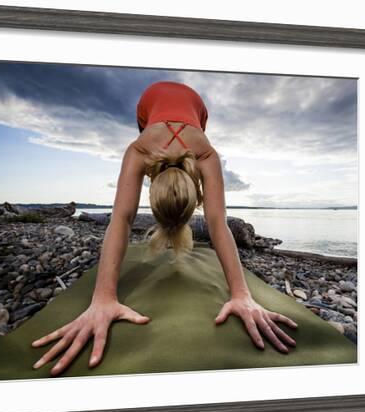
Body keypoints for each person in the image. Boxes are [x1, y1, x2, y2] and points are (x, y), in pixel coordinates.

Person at [31, 80, 298, 376]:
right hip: (151, 107)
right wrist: (102, 298)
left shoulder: (174, 151)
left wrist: (242, 295)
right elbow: (215, 221)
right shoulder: (171, 151)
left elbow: (122, 218)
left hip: (195, 108)